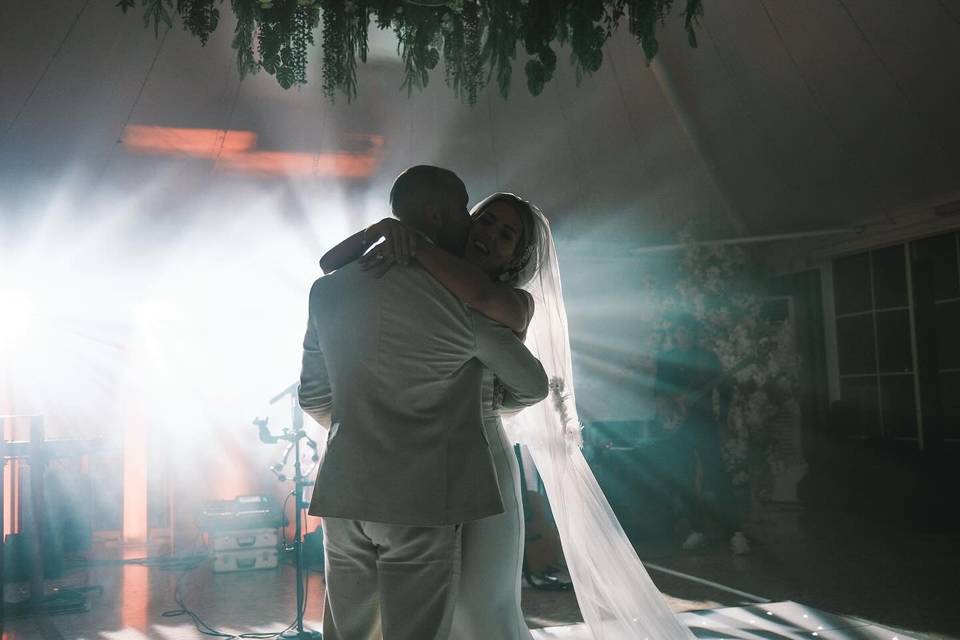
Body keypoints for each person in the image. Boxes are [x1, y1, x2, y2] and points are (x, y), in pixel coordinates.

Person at [323, 191, 698, 639]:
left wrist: (482, 407)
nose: (490, 234)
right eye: (486, 221)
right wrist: (383, 233)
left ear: (514, 259)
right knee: (425, 606)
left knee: (478, 607)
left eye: (506, 235)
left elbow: (525, 378)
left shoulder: (509, 301)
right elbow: (331, 266)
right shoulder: (419, 278)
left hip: (479, 456)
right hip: (421, 474)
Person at [298, 166, 549, 640]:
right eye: (464, 212)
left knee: (349, 631)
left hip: (344, 490)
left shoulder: (327, 291)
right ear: (438, 214)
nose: (472, 225)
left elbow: (312, 397)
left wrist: (365, 428)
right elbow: (533, 386)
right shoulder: (462, 305)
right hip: (422, 494)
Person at [654, 314, 751, 555]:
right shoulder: (667, 358)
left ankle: (734, 533)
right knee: (684, 476)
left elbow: (725, 389)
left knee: (717, 475)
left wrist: (725, 418)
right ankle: (696, 529)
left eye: (688, 330)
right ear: (675, 333)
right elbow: (657, 391)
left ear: (695, 333)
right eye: (680, 330)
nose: (684, 334)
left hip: (705, 423)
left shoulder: (708, 358)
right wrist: (671, 408)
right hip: (679, 425)